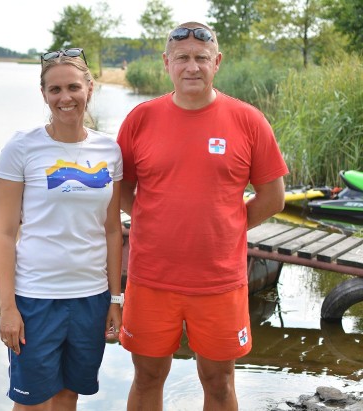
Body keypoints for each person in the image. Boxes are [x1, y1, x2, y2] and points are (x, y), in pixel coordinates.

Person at [116, 22, 288, 410]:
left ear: (217, 62)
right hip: (151, 278)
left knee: (219, 382)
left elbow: (273, 197)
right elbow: (121, 190)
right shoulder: (140, 119)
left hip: (219, 281)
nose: (191, 67)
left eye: (201, 58)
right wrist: (151, 216)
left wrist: (227, 224)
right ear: (166, 63)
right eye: (182, 59)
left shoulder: (248, 120)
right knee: (146, 377)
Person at [0, 47, 124, 410]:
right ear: (44, 95)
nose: (65, 98)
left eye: (73, 87)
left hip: (90, 297)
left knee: (68, 395)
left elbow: (113, 230)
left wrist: (115, 299)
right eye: (55, 90)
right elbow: (3, 233)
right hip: (36, 297)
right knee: (31, 402)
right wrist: (8, 309)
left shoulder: (109, 150)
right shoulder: (22, 148)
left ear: (90, 88)